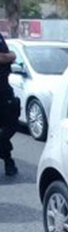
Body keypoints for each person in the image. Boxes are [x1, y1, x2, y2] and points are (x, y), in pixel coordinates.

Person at [0, 31, 19, 176]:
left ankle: (7, 158)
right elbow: (6, 57)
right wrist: (10, 56)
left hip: (4, 91)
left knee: (11, 125)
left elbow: (10, 56)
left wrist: (10, 56)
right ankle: (8, 160)